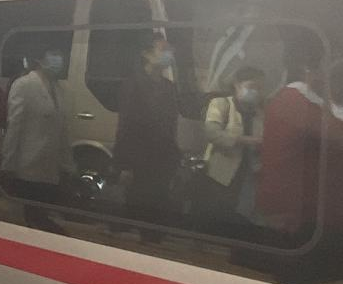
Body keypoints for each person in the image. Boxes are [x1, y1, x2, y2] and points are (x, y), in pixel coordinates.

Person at [257, 51, 325, 284]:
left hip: (286, 198)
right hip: (294, 203)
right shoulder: (299, 103)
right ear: (310, 71)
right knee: (293, 275)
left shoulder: (284, 98)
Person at [113, 35, 182, 241]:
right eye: (163, 49)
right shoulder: (133, 84)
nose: (169, 54)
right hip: (139, 161)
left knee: (157, 217)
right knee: (139, 212)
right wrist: (124, 164)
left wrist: (173, 159)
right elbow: (125, 126)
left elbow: (171, 126)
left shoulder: (169, 87)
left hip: (162, 161)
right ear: (146, 54)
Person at [0, 48, 72, 232]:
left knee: (41, 219)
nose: (58, 60)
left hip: (50, 169)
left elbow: (63, 130)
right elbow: (14, 126)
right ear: (40, 59)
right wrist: (7, 163)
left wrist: (67, 164)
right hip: (28, 169)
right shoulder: (24, 85)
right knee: (33, 222)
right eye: (53, 55)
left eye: (60, 56)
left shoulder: (58, 89)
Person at [195, 66, 265, 238]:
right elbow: (212, 133)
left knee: (240, 219)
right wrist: (244, 140)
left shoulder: (260, 114)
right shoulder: (221, 104)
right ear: (237, 84)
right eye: (251, 86)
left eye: (259, 88)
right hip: (220, 174)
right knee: (216, 216)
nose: (255, 92)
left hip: (249, 176)